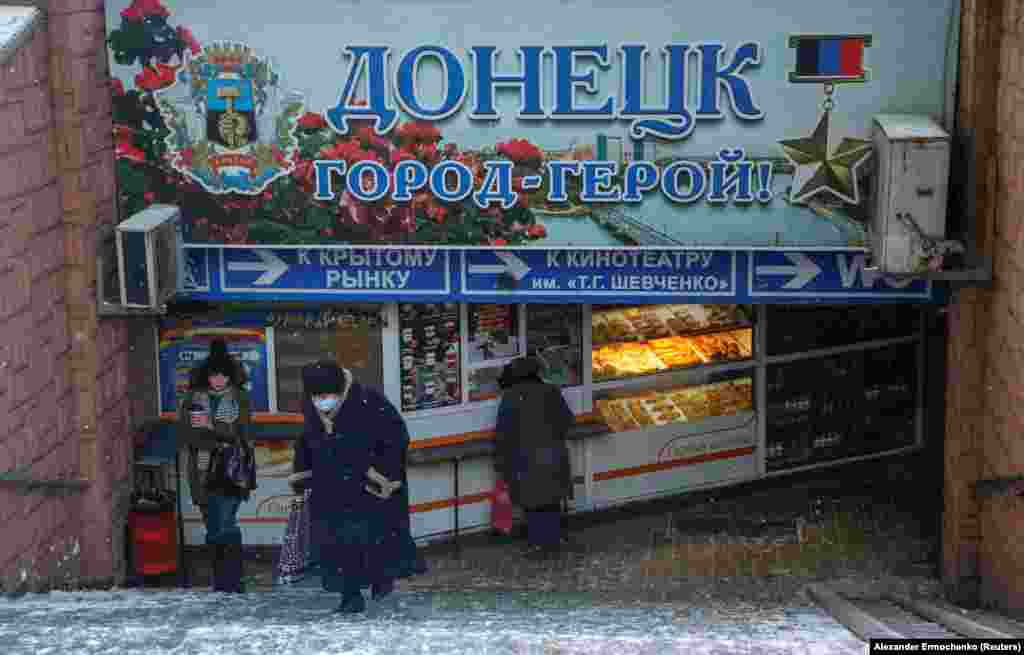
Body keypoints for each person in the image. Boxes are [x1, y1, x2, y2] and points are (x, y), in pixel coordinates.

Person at [288, 360, 426, 614]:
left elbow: (396, 437)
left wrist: (380, 473)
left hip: (366, 487)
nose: (321, 400)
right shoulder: (311, 406)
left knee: (371, 539)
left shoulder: (369, 400)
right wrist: (301, 474)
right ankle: (349, 595)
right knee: (337, 543)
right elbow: (305, 442)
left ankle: (380, 580)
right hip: (329, 486)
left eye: (326, 395)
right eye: (316, 396)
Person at [177, 339, 256, 593]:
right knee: (212, 526)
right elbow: (187, 433)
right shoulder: (193, 398)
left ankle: (233, 579)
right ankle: (221, 580)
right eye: (214, 375)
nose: (218, 379)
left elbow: (244, 433)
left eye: (223, 374)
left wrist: (218, 438)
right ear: (206, 376)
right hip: (201, 472)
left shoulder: (239, 398)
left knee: (226, 522)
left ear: (230, 375)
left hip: (231, 471)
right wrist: (219, 439)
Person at [494, 356, 574, 557]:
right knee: (551, 500)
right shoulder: (551, 391)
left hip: (525, 459)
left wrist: (500, 462)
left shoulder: (511, 397)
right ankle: (553, 540)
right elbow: (566, 421)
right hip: (554, 456)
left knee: (532, 504)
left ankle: (538, 543)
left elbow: (503, 432)